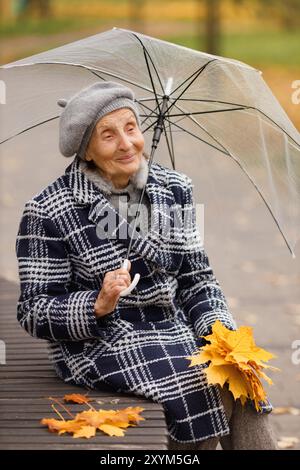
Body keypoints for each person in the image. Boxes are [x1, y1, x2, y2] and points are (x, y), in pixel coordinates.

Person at [15, 81, 278, 450]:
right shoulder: (49, 210)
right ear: (86, 151)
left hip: (175, 330)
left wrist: (221, 335)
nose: (126, 144)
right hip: (101, 342)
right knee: (198, 384)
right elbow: (34, 310)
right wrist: (98, 302)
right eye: (108, 135)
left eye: (131, 128)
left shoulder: (174, 189)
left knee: (240, 376)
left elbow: (197, 279)